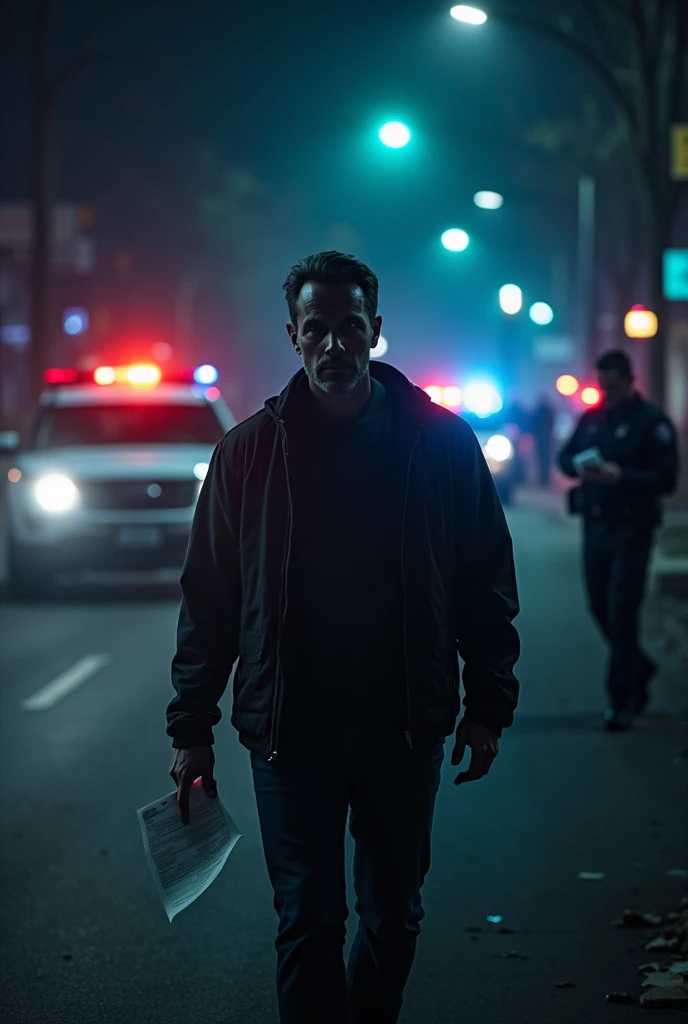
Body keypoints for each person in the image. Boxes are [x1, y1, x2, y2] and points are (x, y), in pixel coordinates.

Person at [167, 251, 521, 1024]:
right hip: (292, 732)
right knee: (309, 922)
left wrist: (489, 703)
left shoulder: (441, 444)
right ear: (293, 336)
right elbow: (211, 601)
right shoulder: (248, 453)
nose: (335, 345)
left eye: (350, 328)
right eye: (317, 329)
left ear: (376, 332)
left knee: (394, 920)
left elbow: (485, 582)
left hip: (404, 723)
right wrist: (190, 727)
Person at [558, 350, 678, 731]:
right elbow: (564, 458)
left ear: (630, 381)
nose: (606, 393)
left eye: (612, 386)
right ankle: (639, 668)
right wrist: (583, 467)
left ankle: (621, 699)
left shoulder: (652, 423)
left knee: (622, 610)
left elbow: (667, 478)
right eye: (602, 386)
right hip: (595, 525)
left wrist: (622, 476)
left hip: (632, 527)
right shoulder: (593, 419)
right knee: (599, 605)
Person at [531, 396, 555, 488]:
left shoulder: (539, 411)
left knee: (542, 459)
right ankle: (544, 478)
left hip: (542, 438)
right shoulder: (547, 411)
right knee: (544, 459)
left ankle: (543, 478)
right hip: (545, 438)